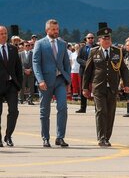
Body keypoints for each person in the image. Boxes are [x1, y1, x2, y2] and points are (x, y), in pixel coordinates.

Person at [82, 27, 129, 147]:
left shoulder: (117, 52)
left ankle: (107, 137)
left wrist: (126, 84)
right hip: (98, 86)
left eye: (109, 38)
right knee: (101, 111)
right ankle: (101, 137)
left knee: (110, 113)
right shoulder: (94, 52)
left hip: (113, 86)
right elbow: (88, 71)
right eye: (104, 39)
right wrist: (85, 88)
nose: (107, 41)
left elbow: (123, 69)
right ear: (100, 40)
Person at [33, 19, 71, 148]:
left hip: (60, 80)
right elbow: (36, 63)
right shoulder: (40, 44)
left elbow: (66, 63)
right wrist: (40, 80)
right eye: (53, 29)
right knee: (45, 111)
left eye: (57, 29)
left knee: (62, 107)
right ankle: (45, 138)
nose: (56, 31)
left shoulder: (62, 43)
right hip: (46, 82)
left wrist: (68, 79)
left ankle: (60, 137)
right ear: (47, 30)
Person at [0, 26, 23, 147]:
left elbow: (18, 68)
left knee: (14, 111)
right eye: (1, 34)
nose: (4, 35)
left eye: (5, 33)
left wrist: (19, 85)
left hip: (11, 85)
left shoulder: (13, 49)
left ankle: (8, 136)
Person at [76, 33, 97, 113]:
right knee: (84, 89)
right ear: (86, 39)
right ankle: (83, 107)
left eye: (92, 38)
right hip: (84, 71)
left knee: (95, 89)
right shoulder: (82, 48)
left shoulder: (97, 48)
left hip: (94, 71)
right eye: (89, 38)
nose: (91, 39)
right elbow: (78, 59)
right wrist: (86, 63)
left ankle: (97, 108)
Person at [19, 41, 35, 105]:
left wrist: (30, 70)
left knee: (31, 87)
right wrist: (24, 70)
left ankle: (30, 100)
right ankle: (21, 100)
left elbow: (35, 63)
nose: (28, 47)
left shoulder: (33, 53)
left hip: (31, 73)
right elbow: (19, 64)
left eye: (29, 45)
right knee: (22, 87)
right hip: (23, 73)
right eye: (26, 45)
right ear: (23, 47)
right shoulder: (20, 54)